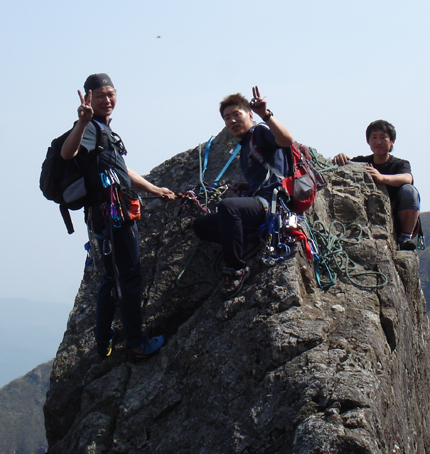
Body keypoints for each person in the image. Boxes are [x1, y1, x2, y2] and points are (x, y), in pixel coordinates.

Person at [61, 73, 175, 360]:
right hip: (114, 215)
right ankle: (136, 344)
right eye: (100, 95)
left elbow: (121, 171)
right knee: (130, 276)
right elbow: (67, 153)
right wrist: (83, 121)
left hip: (106, 214)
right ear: (88, 98)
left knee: (110, 277)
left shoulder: (104, 131)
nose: (107, 100)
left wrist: (154, 189)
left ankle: (103, 341)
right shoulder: (88, 127)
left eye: (110, 94)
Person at [192, 87, 294, 297]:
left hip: (272, 204)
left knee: (228, 207)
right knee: (200, 225)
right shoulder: (245, 145)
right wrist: (247, 186)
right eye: (227, 118)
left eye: (236, 114)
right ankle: (246, 239)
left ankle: (235, 268)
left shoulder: (260, 132)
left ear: (249, 115)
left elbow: (286, 141)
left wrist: (265, 115)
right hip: (259, 201)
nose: (232, 121)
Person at [333, 119, 421, 250]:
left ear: (392, 141)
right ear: (368, 141)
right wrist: (340, 157)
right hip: (369, 217)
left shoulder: (401, 164)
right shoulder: (362, 162)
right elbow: (343, 166)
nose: (378, 142)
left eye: (383, 137)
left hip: (398, 216)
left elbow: (407, 178)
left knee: (410, 191)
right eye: (374, 137)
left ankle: (405, 238)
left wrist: (381, 178)